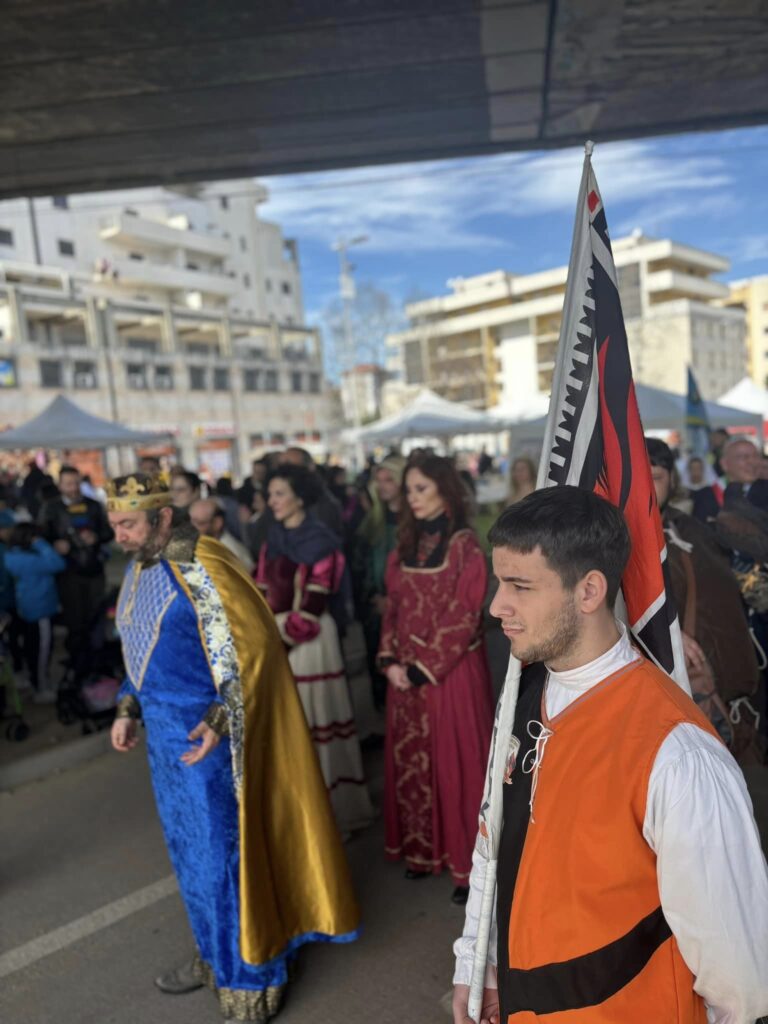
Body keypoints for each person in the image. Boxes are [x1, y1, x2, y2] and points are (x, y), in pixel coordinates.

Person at [452, 486, 768, 1024]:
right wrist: (474, 966)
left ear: (590, 590)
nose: (495, 606)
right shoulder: (524, 697)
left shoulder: (677, 754)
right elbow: (492, 846)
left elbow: (738, 974)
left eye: (519, 586)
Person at [107, 473, 359, 1022]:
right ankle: (215, 955)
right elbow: (141, 650)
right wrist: (129, 707)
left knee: (226, 857)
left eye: (128, 523)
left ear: (163, 518)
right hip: (166, 748)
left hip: (212, 745)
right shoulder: (139, 568)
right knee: (191, 858)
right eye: (115, 524)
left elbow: (256, 649)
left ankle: (253, 972)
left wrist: (221, 718)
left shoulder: (205, 564)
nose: (120, 535)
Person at [378, 453, 494, 905]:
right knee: (416, 765)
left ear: (446, 489)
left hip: (451, 673)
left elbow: (465, 615)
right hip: (404, 673)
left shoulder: (465, 545)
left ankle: (466, 867)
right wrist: (390, 661)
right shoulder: (404, 546)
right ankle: (423, 855)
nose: (414, 498)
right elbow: (393, 607)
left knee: (455, 765)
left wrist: (421, 667)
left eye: (421, 488)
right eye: (410, 491)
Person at [254, 464, 373, 834]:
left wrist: (280, 641)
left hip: (309, 639)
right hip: (277, 636)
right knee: (292, 725)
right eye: (270, 494)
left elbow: (315, 602)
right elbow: (259, 588)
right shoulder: (271, 538)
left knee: (318, 718)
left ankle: (336, 813)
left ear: (300, 497)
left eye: (279, 494)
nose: (272, 501)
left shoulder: (322, 541)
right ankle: (301, 809)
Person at [647, 438, 762, 760]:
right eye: (639, 478)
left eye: (655, 477)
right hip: (670, 691)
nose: (646, 487)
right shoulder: (617, 536)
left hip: (722, 682)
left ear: (672, 479)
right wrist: (664, 629)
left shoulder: (690, 527)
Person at [38, 465, 113, 683]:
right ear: (60, 485)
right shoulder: (50, 508)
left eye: (76, 483)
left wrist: (97, 537)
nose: (73, 488)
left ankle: (96, 664)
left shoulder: (94, 506)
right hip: (67, 573)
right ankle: (76, 666)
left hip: (94, 570)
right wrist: (55, 544)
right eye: (68, 484)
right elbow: (40, 536)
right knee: (75, 621)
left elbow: (109, 532)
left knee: (97, 617)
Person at [356, 456, 406, 709]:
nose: (383, 485)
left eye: (389, 480)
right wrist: (374, 598)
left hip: (406, 607)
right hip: (376, 609)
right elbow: (361, 565)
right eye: (379, 480)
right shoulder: (371, 522)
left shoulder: (415, 522)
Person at [5, 523, 66, 703]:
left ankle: (38, 683)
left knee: (32, 648)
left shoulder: (11, 556)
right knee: (41, 652)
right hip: (40, 610)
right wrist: (41, 544)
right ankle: (41, 689)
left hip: (28, 608)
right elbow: (58, 563)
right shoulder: (29, 560)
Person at [694, 434, 768, 522]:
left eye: (756, 456)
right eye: (744, 457)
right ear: (724, 464)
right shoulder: (706, 496)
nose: (752, 462)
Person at [189, 497, 254, 572]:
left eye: (199, 523)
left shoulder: (231, 555)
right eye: (190, 522)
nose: (191, 529)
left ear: (217, 523)